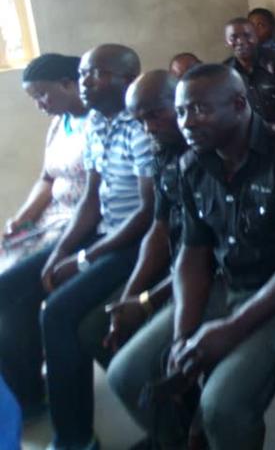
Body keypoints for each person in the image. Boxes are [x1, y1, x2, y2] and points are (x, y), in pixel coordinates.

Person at [116, 64, 275, 449]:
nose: (187, 122)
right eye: (182, 111)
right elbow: (193, 254)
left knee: (223, 404)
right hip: (226, 283)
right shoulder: (193, 164)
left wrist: (230, 329)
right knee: (128, 372)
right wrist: (184, 333)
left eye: (199, 109)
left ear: (238, 105)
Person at [0, 44, 155, 449]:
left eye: (94, 75)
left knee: (58, 312)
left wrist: (84, 256)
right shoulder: (98, 126)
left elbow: (146, 215)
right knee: (22, 286)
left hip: (135, 242)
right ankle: (28, 394)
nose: (85, 82)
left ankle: (74, 436)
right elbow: (90, 201)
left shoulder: (140, 126)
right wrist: (57, 254)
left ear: (127, 78)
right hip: (102, 233)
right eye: (83, 74)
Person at [102, 71, 187, 444]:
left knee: (127, 372)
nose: (148, 129)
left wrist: (148, 299)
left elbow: (214, 257)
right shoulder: (164, 150)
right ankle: (170, 430)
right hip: (181, 267)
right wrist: (131, 295)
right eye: (139, 121)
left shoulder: (213, 149)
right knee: (100, 331)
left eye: (154, 115)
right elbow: (160, 226)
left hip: (217, 277)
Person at [2, 54, 88, 271]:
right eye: (34, 99)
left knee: (11, 278)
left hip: (80, 221)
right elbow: (47, 178)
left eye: (42, 95)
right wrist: (23, 218)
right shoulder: (59, 123)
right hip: (50, 217)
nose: (39, 106)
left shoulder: (97, 123)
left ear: (67, 84)